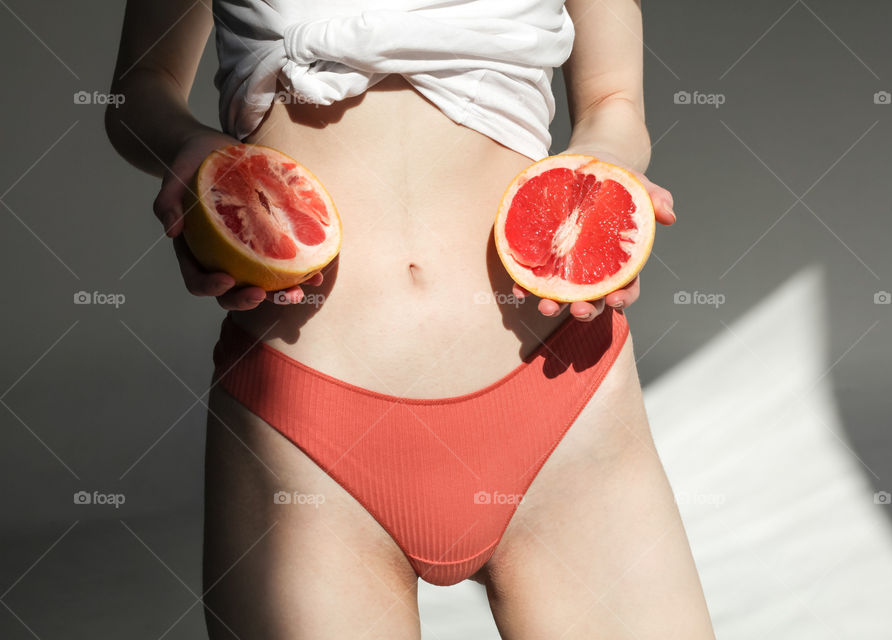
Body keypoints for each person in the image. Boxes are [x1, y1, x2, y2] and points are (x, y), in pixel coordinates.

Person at [106, 0, 715, 637]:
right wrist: (195, 152)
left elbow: (613, 100)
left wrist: (600, 173)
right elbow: (141, 88)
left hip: (564, 401)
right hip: (301, 428)